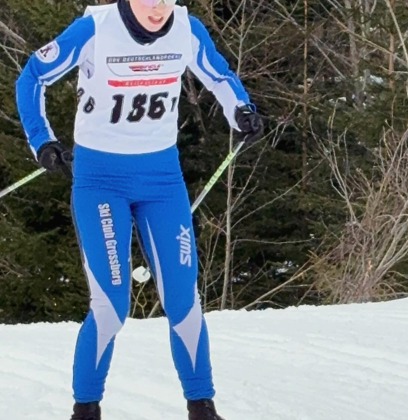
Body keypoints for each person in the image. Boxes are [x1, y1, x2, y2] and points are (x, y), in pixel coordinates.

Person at [15, 0, 263, 419]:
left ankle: (202, 407)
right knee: (111, 307)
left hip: (162, 179)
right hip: (100, 181)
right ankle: (86, 409)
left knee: (184, 300)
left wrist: (241, 110)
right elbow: (32, 76)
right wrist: (42, 141)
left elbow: (220, 75)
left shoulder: (186, 27)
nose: (157, 7)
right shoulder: (96, 26)